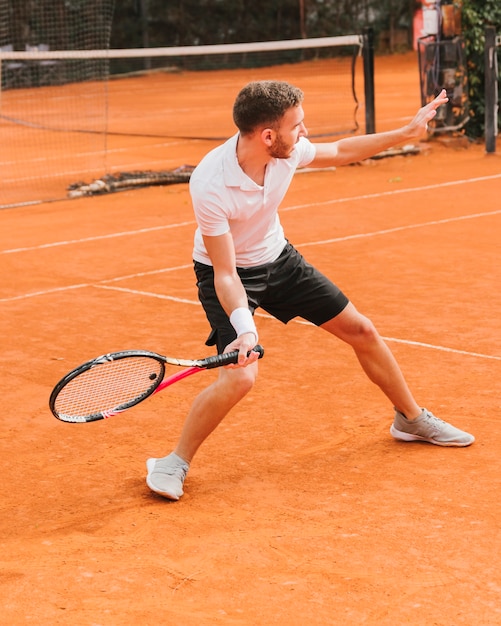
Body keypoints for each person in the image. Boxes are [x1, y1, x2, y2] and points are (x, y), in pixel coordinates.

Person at [146, 81, 474, 501]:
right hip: (229, 274)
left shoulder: (286, 152)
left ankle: (410, 419)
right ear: (268, 137)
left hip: (279, 259)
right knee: (241, 377)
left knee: (362, 331)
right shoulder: (210, 183)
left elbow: (339, 151)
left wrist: (404, 133)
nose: (304, 132)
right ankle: (174, 462)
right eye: (297, 125)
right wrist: (244, 328)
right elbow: (226, 274)